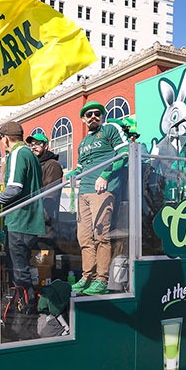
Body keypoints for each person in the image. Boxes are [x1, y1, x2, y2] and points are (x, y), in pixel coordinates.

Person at [68, 101, 128, 296]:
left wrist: (105, 175)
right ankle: (88, 277)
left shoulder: (110, 129)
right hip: (83, 191)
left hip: (102, 189)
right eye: (89, 114)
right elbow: (80, 167)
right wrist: (71, 175)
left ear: (102, 116)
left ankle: (101, 279)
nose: (93, 116)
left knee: (100, 235)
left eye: (97, 113)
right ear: (83, 119)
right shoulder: (83, 142)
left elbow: (124, 153)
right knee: (84, 237)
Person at [0, 121, 45, 310]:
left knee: (19, 272)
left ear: (4, 138)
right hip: (30, 222)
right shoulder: (31, 154)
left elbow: (14, 188)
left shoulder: (18, 153)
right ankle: (26, 307)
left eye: (1, 139)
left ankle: (25, 310)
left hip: (20, 221)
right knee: (24, 269)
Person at [26, 131, 63, 237]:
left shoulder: (52, 165)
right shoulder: (34, 165)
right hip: (33, 221)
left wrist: (41, 216)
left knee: (44, 246)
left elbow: (51, 195)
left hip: (45, 224)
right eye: (32, 144)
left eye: (38, 144)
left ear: (46, 146)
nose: (34, 147)